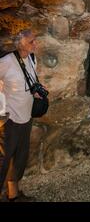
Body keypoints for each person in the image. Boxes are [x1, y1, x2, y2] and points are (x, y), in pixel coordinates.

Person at [0, 29, 41, 202]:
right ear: (21, 43)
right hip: (10, 119)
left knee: (20, 158)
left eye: (34, 40)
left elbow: (30, 82)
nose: (35, 44)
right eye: (32, 41)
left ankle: (13, 195)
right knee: (3, 161)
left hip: (26, 116)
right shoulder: (6, 62)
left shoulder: (32, 59)